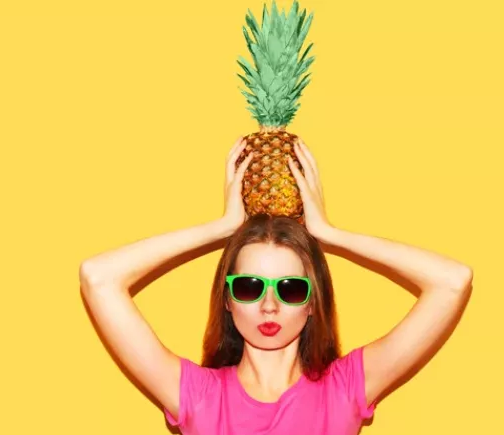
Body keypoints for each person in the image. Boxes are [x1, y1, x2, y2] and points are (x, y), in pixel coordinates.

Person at [79, 137, 474, 434]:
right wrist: (219, 229)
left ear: (313, 302)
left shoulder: (345, 389)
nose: (269, 306)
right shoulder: (199, 396)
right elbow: (98, 277)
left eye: (290, 289)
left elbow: (452, 282)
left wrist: (329, 234)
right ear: (228, 300)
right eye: (250, 287)